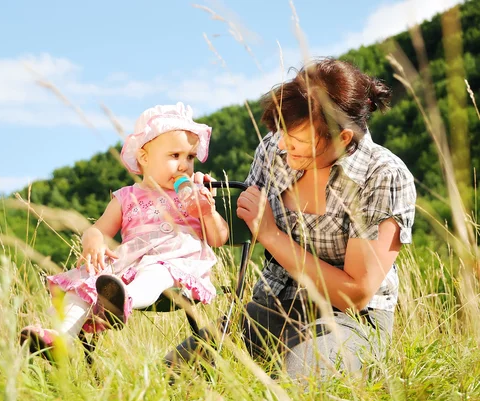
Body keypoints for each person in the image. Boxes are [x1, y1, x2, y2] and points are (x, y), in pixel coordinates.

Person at [235, 57, 417, 380]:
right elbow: (243, 224)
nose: (281, 145)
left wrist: (273, 237)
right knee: (183, 368)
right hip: (275, 305)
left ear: (342, 138)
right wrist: (203, 213)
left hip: (352, 320)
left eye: (299, 141)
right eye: (282, 132)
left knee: (298, 377)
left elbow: (356, 294)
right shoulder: (274, 149)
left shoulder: (383, 177)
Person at [20, 102, 229, 356]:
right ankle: (61, 338)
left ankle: (122, 300)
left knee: (155, 271)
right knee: (88, 280)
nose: (184, 165)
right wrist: (94, 242)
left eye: (190, 157)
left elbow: (219, 238)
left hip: (175, 264)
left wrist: (207, 212)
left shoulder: (195, 193)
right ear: (144, 157)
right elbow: (96, 230)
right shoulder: (127, 197)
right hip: (129, 266)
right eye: (175, 156)